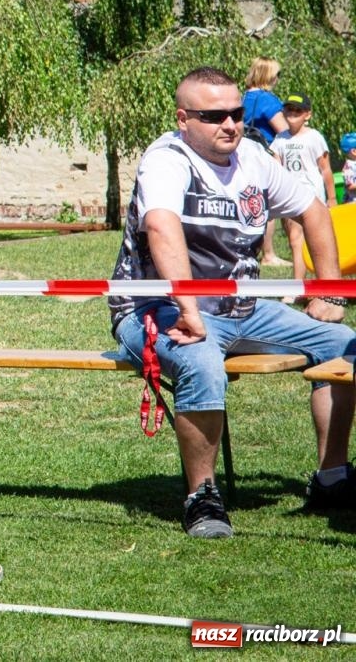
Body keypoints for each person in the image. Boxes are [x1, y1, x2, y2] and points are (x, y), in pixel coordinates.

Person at [109, 66, 356, 539]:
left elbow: (314, 211)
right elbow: (162, 227)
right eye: (214, 115)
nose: (231, 124)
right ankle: (202, 496)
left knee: (343, 343)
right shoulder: (166, 160)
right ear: (184, 119)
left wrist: (328, 291)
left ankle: (332, 477)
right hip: (158, 311)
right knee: (202, 361)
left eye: (238, 114)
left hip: (242, 309)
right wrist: (187, 309)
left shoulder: (254, 158)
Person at [271, 93, 335, 281]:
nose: (292, 113)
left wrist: (331, 198)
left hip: (312, 195)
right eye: (289, 109)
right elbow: (276, 169)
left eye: (297, 110)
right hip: (290, 196)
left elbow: (326, 170)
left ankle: (322, 285)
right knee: (295, 240)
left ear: (307, 115)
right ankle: (297, 286)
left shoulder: (314, 138)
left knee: (317, 242)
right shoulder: (280, 139)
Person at [242, 57, 291, 264]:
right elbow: (284, 131)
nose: (278, 79)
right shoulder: (267, 100)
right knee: (267, 206)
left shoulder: (243, 97)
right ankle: (269, 254)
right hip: (266, 154)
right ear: (269, 75)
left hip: (245, 153)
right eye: (277, 74)